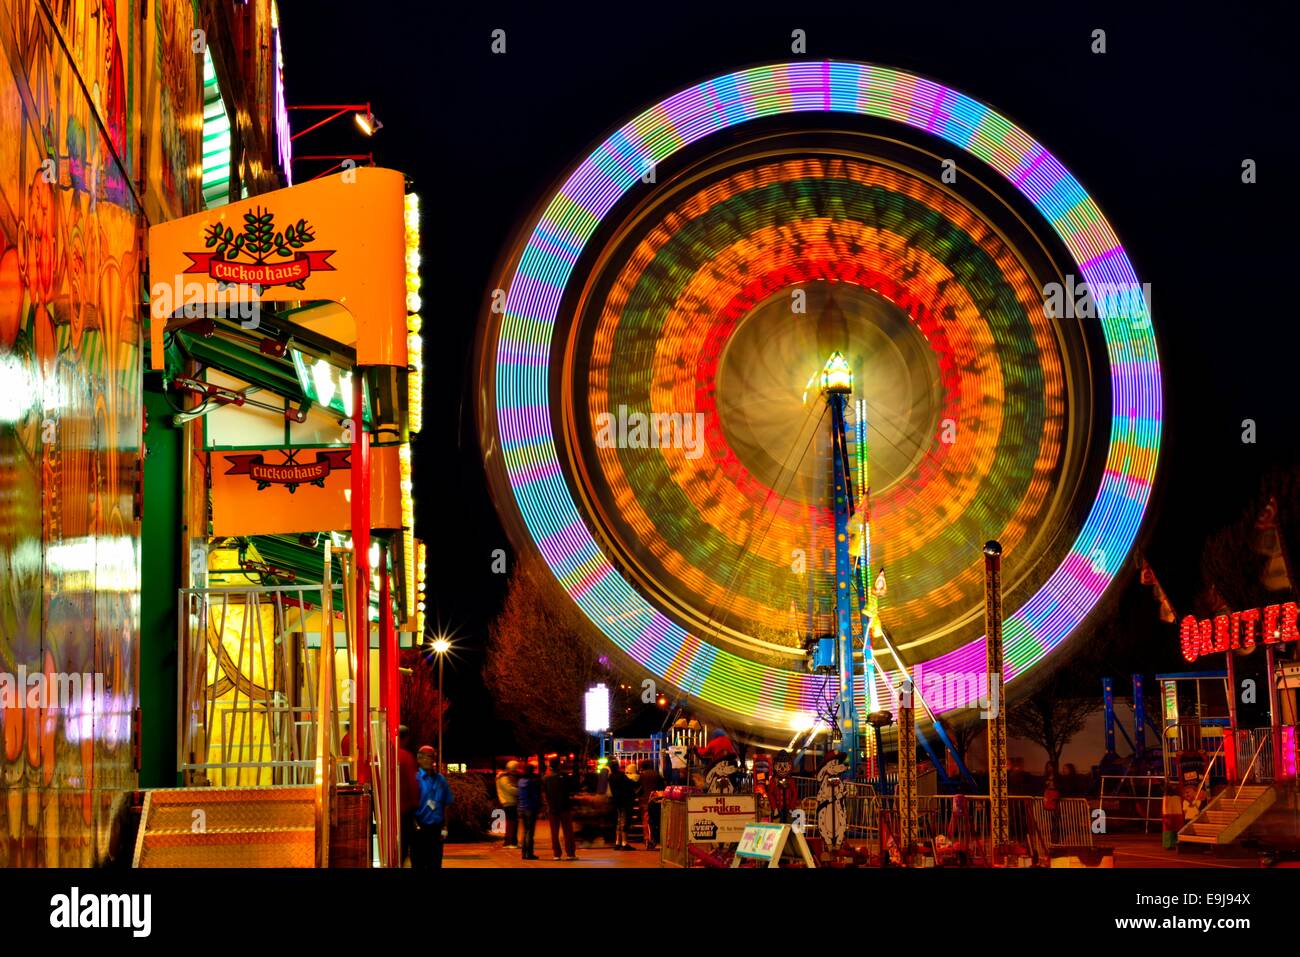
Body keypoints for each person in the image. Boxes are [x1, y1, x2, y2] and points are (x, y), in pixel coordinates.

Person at [413, 746, 453, 868]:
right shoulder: (415, 779)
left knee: (435, 863)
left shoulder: (441, 780)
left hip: (436, 828)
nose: (429, 760)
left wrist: (445, 827)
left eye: (431, 757)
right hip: (420, 828)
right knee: (419, 862)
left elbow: (446, 804)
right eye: (426, 757)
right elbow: (409, 804)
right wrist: (414, 824)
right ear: (419, 759)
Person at [542, 757, 577, 860]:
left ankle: (556, 854)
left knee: (554, 832)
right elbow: (571, 790)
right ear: (559, 765)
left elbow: (545, 794)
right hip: (564, 807)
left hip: (552, 808)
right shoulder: (565, 777)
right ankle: (570, 853)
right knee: (568, 832)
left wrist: (547, 804)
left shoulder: (546, 778)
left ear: (550, 766)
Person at [397, 727, 419, 866]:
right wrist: (416, 805)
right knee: (409, 844)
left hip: (387, 810)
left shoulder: (380, 756)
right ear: (405, 738)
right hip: (405, 810)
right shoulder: (406, 757)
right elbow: (413, 784)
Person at [608, 760, 637, 850]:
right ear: (617, 767)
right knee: (624, 821)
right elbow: (631, 784)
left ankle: (617, 842)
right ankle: (625, 843)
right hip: (624, 801)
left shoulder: (611, 777)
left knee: (619, 821)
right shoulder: (621, 776)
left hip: (616, 801)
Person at [637, 759, 664, 850]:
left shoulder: (642, 775)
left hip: (645, 801)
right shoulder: (657, 775)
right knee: (655, 821)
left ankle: (648, 840)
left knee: (646, 821)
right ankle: (656, 840)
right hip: (656, 800)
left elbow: (639, 788)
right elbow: (662, 787)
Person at [517, 763, 541, 860]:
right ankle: (529, 853)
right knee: (530, 832)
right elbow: (535, 796)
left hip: (522, 807)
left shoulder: (520, 781)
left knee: (525, 831)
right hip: (530, 808)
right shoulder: (531, 783)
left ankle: (524, 852)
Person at [496, 759, 520, 848]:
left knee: (512, 821)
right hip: (509, 801)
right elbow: (509, 789)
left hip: (509, 801)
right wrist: (520, 791)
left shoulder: (504, 776)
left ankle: (512, 841)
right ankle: (510, 841)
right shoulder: (503, 778)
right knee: (512, 821)